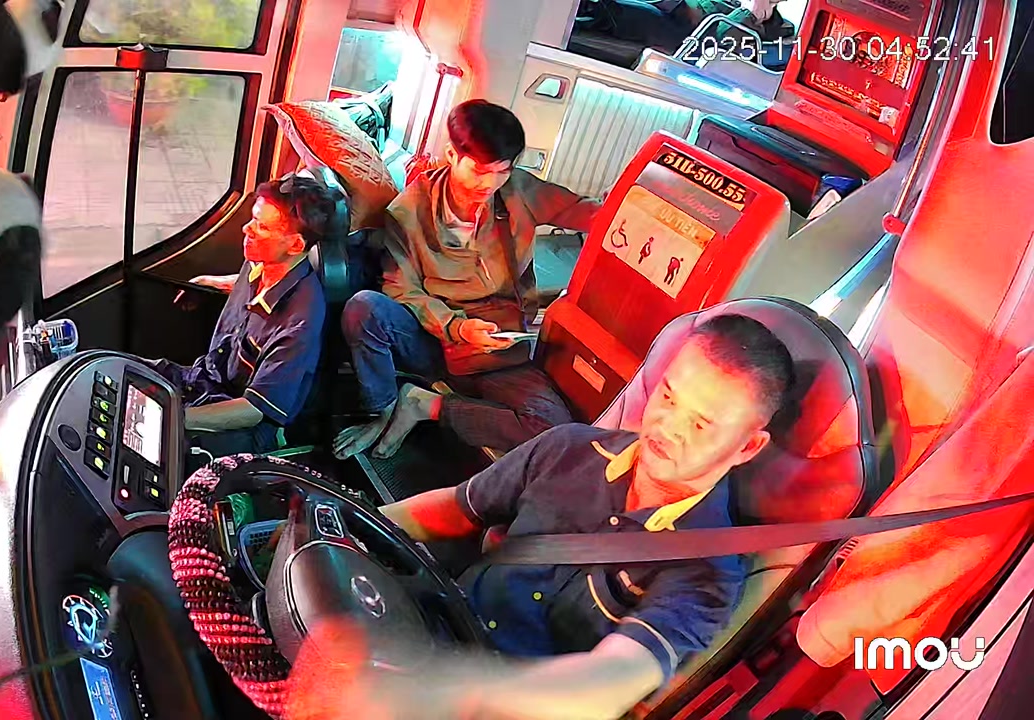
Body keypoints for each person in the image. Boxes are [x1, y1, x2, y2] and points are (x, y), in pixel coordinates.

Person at [292, 314, 795, 720]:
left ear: (747, 447)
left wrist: (447, 691)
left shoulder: (708, 569)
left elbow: (609, 684)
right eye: (667, 396)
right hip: (430, 628)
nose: (667, 426)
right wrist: (340, 524)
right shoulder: (566, 448)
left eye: (701, 424)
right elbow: (454, 509)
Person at [333, 100, 603, 461]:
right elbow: (402, 288)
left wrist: (648, 212)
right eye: (479, 170)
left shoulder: (518, 191)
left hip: (500, 346)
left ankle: (423, 405)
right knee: (365, 308)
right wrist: (456, 327)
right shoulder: (409, 211)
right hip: (435, 339)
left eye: (502, 171)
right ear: (452, 155)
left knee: (552, 430)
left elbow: (587, 212)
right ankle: (383, 412)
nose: (489, 184)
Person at [153, 175, 338, 461]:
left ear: (295, 245)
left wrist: (175, 419)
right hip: (203, 379)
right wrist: (211, 283)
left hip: (241, 421)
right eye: (253, 219)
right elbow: (253, 284)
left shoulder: (300, 321)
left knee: (160, 448)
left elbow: (254, 409)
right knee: (124, 374)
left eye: (261, 227)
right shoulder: (261, 261)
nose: (246, 229)